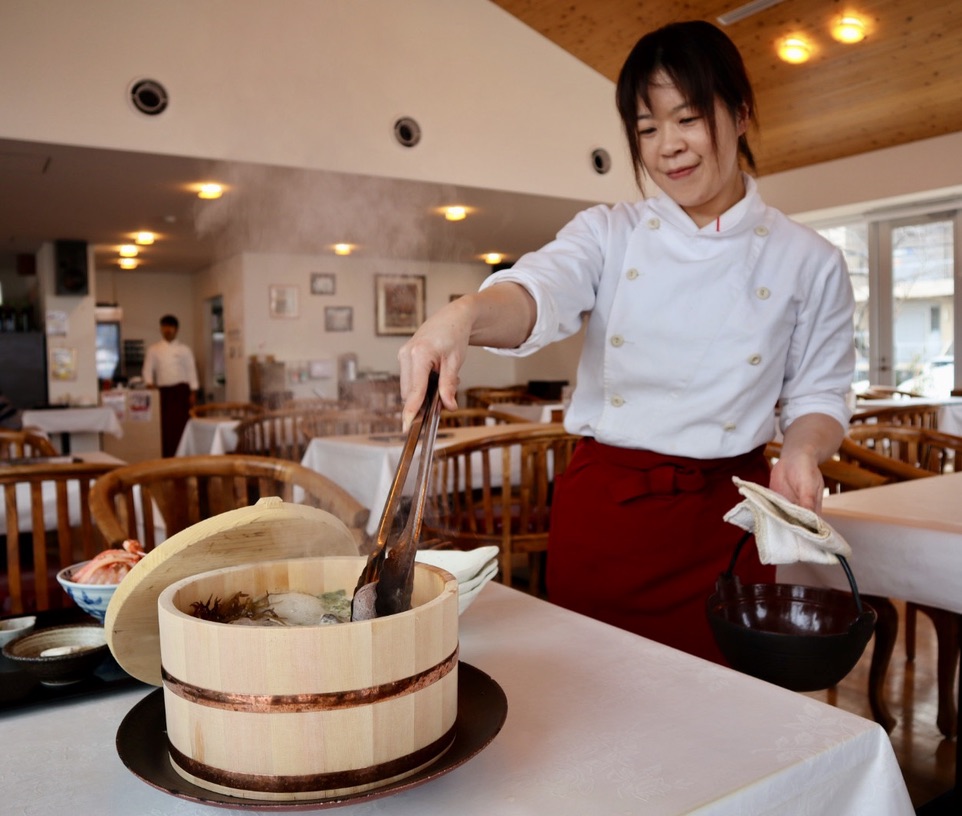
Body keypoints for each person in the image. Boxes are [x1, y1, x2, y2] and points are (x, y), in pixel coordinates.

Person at [397, 20, 855, 664]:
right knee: (589, 699)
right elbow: (538, 294)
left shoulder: (809, 259)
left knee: (723, 715)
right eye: (647, 128)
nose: (668, 146)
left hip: (727, 523)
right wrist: (466, 312)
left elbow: (821, 392)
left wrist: (803, 450)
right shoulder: (609, 232)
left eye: (688, 118)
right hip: (608, 515)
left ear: (742, 111)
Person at [142, 314, 199, 457]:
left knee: (182, 426)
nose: (168, 330)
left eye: (171, 327)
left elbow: (191, 370)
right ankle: (166, 456)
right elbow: (147, 369)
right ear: (161, 329)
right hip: (163, 393)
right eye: (165, 327)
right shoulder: (154, 349)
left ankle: (184, 455)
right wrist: (149, 384)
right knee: (165, 427)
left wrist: (193, 391)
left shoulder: (184, 349)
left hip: (181, 392)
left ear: (176, 329)